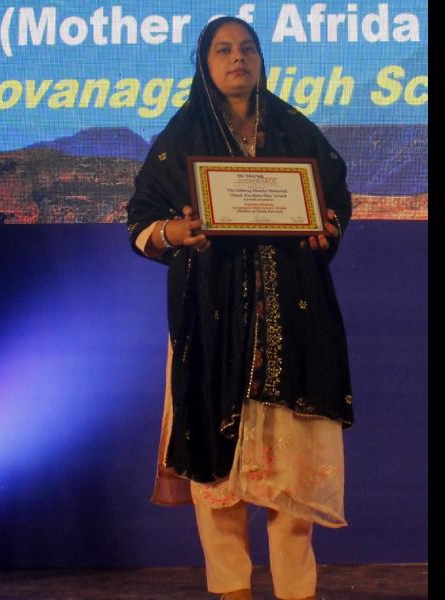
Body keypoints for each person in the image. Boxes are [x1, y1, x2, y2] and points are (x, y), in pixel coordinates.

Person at [126, 17, 354, 600]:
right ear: (204, 63)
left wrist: (327, 226)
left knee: (294, 476)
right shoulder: (180, 138)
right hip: (212, 319)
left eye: (248, 49)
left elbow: (334, 200)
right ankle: (231, 590)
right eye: (224, 50)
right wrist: (176, 232)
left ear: (261, 59)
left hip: (294, 324)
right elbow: (141, 223)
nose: (237, 59)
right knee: (218, 474)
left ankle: (296, 591)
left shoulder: (297, 131)